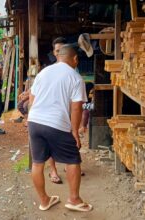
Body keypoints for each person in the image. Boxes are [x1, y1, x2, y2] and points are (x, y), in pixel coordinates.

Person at [28, 45, 93, 212]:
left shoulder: (43, 72)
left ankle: (44, 200)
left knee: (37, 163)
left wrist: (31, 119)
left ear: (58, 56)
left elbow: (31, 99)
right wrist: (75, 131)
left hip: (34, 120)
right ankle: (74, 199)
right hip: (56, 123)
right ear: (75, 59)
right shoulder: (75, 77)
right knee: (73, 160)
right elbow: (77, 108)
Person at [45, 37, 69, 184]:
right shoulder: (49, 71)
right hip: (52, 113)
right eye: (57, 50)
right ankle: (53, 171)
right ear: (54, 53)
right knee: (50, 143)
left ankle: (69, 166)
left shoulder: (73, 67)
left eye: (62, 50)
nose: (59, 53)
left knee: (69, 141)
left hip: (67, 112)